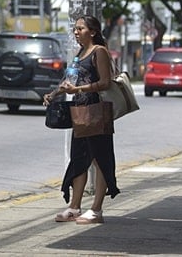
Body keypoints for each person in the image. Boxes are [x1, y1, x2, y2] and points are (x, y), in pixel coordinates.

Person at [43, 15, 119, 224]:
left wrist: (78, 90)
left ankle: (96, 210)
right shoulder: (80, 53)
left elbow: (105, 82)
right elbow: (70, 80)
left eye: (81, 29)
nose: (76, 32)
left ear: (92, 32)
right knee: (79, 159)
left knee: (100, 159)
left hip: (97, 111)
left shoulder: (99, 52)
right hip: (81, 113)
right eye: (75, 29)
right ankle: (74, 207)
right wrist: (54, 94)